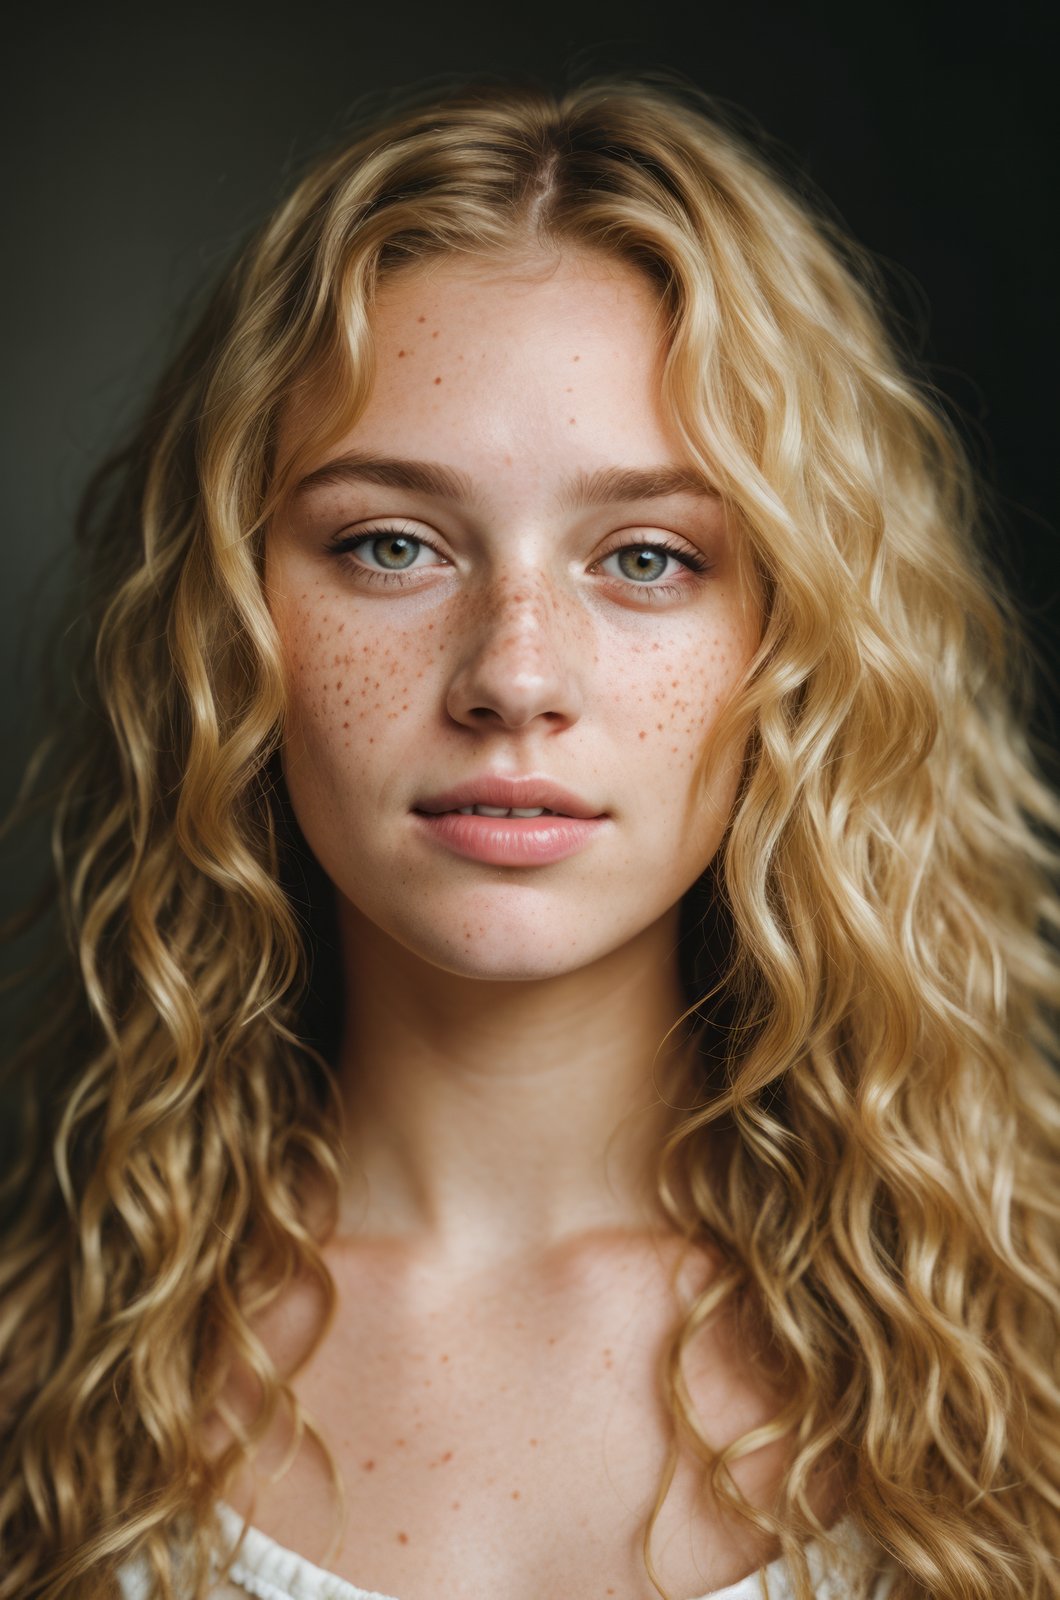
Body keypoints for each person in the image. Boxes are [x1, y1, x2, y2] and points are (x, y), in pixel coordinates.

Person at [1, 69, 1057, 1600]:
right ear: (230, 623)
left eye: (644, 557)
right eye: (392, 544)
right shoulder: (38, 1400)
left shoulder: (1018, 1374)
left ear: (798, 642)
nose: (513, 674)